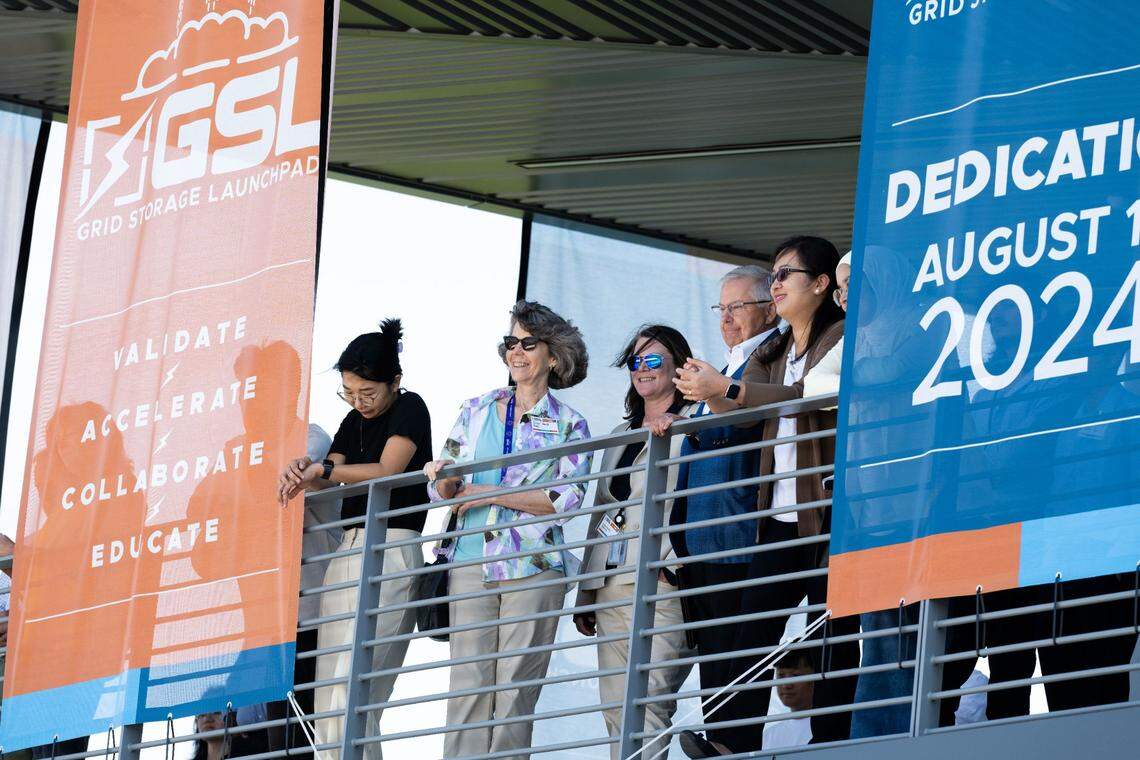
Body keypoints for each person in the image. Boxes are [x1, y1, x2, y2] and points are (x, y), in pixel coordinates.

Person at [674, 236, 857, 754]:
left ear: (821, 285)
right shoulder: (775, 348)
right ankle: (732, 745)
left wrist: (724, 389)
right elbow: (738, 404)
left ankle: (832, 745)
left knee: (833, 639)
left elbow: (803, 398)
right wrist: (704, 389)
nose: (774, 284)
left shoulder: (840, 335)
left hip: (827, 513)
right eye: (772, 275)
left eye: (785, 275)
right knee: (750, 634)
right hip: (777, 518)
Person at [423, 301, 591, 760]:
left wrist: (491, 493)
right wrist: (442, 476)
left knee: (516, 692)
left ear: (553, 356)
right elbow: (447, 488)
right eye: (510, 343)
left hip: (534, 567)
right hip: (469, 562)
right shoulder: (475, 409)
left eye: (528, 344)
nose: (516, 352)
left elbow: (564, 501)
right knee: (468, 689)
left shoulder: (571, 423)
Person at [278, 320, 432, 760]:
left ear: (394, 382)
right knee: (327, 699)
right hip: (346, 549)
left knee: (355, 693)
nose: (358, 402)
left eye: (368, 393)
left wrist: (323, 472)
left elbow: (387, 471)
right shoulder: (350, 420)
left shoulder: (410, 408)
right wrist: (302, 471)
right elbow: (328, 473)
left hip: (392, 545)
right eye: (349, 392)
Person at [652, 265, 781, 755]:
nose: (727, 318)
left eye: (737, 307)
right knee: (716, 661)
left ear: (768, 309)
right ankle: (720, 744)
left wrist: (706, 409)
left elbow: (745, 429)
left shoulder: (769, 359)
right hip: (701, 540)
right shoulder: (721, 367)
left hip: (738, 533)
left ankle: (733, 747)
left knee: (740, 657)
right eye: (721, 309)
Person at [573, 325, 696, 758]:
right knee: (615, 704)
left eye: (653, 359)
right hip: (612, 583)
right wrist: (586, 591)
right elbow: (601, 511)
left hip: (664, 579)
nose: (642, 370)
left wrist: (676, 563)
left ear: (678, 364)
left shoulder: (701, 420)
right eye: (635, 362)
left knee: (649, 699)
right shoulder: (620, 431)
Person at [762, 651, 816, 750]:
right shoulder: (770, 735)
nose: (786, 685)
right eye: (781, 675)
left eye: (795, 675)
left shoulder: (827, 730)